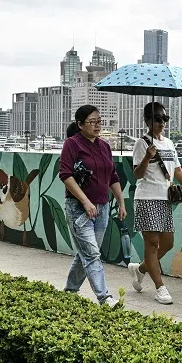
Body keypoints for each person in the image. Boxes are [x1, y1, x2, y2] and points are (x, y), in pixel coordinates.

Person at [128, 102, 182, 304]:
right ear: (147, 121)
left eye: (164, 119)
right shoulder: (142, 144)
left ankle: (141, 268)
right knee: (152, 245)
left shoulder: (168, 143)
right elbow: (137, 174)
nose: (161, 123)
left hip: (165, 199)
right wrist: (147, 158)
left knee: (167, 244)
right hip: (147, 198)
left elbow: (177, 170)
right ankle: (160, 288)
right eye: (157, 119)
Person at [58, 105, 126, 307]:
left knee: (86, 254)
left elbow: (112, 176)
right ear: (80, 125)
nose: (97, 125)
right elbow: (66, 175)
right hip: (79, 208)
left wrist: (121, 202)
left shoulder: (104, 146)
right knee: (92, 254)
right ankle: (104, 298)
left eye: (99, 121)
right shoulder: (72, 144)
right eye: (92, 122)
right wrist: (85, 201)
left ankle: (70, 292)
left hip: (102, 208)